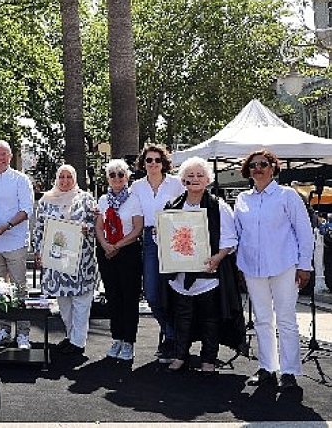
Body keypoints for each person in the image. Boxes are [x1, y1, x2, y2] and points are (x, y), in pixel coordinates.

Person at [234, 149, 313, 390]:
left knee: (286, 319)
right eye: (254, 165)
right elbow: (237, 234)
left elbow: (304, 231)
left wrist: (304, 265)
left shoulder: (287, 195)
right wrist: (239, 264)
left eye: (263, 164)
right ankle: (268, 367)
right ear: (248, 170)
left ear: (273, 168)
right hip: (252, 267)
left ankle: (289, 371)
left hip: (284, 265)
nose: (258, 168)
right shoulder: (242, 199)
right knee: (262, 319)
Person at [162, 157, 243, 374]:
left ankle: (209, 359)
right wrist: (158, 235)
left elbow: (230, 239)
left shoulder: (219, 207)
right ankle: (180, 356)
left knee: (210, 320)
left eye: (199, 175)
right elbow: (165, 238)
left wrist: (217, 258)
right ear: (183, 180)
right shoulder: (172, 206)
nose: (195, 179)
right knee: (182, 319)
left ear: (208, 179)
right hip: (181, 276)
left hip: (210, 275)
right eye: (190, 176)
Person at [33, 164, 97, 355]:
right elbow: (39, 228)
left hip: (81, 261)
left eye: (69, 177)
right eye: (62, 176)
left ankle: (78, 342)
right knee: (64, 302)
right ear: (57, 178)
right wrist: (37, 251)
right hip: (56, 261)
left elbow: (96, 224)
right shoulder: (46, 200)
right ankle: (71, 336)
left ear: (75, 178)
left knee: (81, 301)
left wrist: (87, 228)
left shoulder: (86, 199)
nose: (65, 180)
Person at [0, 140, 35, 350]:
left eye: (4, 154)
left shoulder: (21, 180)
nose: (0, 158)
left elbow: (27, 209)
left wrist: (7, 225)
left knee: (19, 289)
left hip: (14, 241)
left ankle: (23, 334)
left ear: (10, 157)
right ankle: (4, 330)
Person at [129, 144, 184, 363]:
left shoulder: (176, 184)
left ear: (164, 163)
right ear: (143, 163)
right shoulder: (136, 187)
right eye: (149, 160)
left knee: (175, 292)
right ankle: (171, 335)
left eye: (157, 160)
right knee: (151, 293)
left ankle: (175, 342)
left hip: (174, 239)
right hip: (149, 240)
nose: (153, 164)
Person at [95, 159, 143, 361]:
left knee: (129, 298)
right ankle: (117, 338)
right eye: (112, 174)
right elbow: (99, 226)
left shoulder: (134, 198)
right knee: (113, 297)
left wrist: (118, 245)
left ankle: (129, 341)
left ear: (127, 177)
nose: (117, 178)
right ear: (107, 178)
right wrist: (106, 245)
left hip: (128, 252)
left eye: (120, 174)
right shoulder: (103, 200)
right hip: (107, 253)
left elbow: (138, 228)